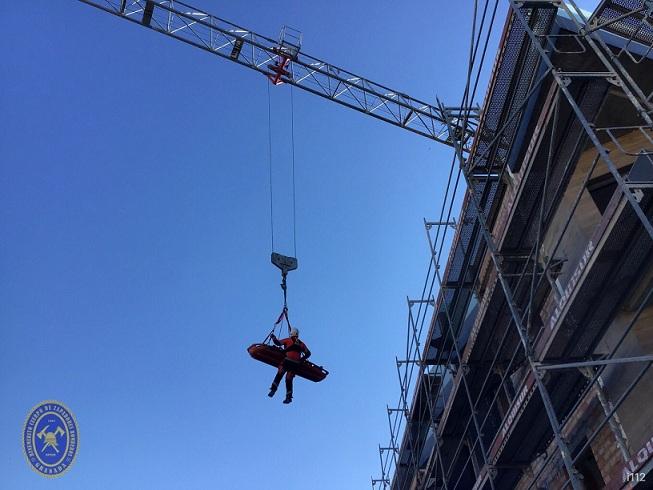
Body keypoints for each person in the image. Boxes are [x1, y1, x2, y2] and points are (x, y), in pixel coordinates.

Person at [268, 327, 311, 404]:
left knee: (280, 373)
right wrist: (301, 359)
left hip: (288, 360)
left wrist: (273, 337)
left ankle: (273, 389)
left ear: (291, 334)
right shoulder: (302, 344)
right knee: (289, 379)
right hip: (296, 363)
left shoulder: (288, 340)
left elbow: (277, 343)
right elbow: (308, 353)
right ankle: (288, 397)